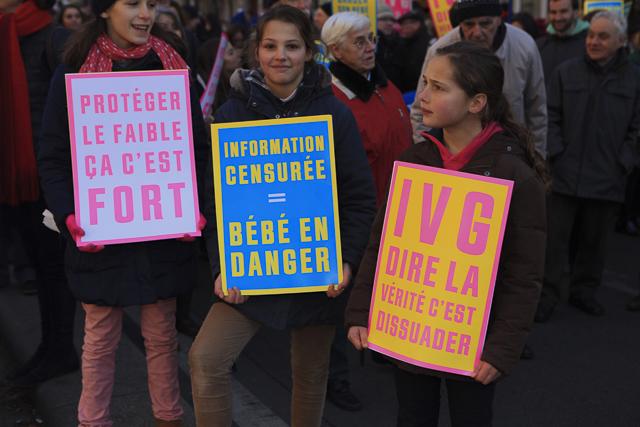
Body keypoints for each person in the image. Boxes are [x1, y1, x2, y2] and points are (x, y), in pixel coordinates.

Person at [188, 5, 377, 427]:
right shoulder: (232, 113)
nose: (281, 55)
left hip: (316, 269)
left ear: (310, 52)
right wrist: (224, 266)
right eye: (270, 45)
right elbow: (216, 200)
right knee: (206, 359)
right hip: (253, 267)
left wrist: (344, 260)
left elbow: (360, 198)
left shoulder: (336, 114)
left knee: (311, 375)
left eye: (292, 46)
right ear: (256, 51)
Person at [346, 40, 548, 427]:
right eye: (425, 83)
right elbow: (382, 245)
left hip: (473, 344)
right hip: (411, 330)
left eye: (439, 87)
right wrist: (361, 310)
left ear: (476, 102)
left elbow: (524, 277)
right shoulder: (412, 160)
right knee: (412, 416)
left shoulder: (514, 176)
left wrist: (501, 351)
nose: (422, 95)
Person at [36, 0, 209, 424]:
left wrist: (196, 208)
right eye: (133, 3)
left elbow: (198, 152)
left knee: (163, 339)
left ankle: (169, 419)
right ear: (103, 11)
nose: (145, 13)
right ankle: (92, 421)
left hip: (164, 236)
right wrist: (69, 214)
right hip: (99, 237)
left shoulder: (174, 71)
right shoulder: (71, 76)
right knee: (99, 342)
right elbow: (55, 158)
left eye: (151, 3)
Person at [320, 10, 413, 411]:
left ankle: (383, 346)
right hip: (353, 219)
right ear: (334, 50)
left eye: (370, 38)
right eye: (359, 41)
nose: (370, 46)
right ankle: (334, 377)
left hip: (397, 212)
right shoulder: (330, 98)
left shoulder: (385, 87)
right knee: (341, 299)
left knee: (387, 289)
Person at [534, 11, 640, 322]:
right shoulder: (566, 72)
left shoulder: (635, 80)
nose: (593, 41)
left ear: (621, 42)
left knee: (594, 243)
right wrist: (558, 154)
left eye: (603, 36)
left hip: (608, 176)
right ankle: (547, 296)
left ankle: (584, 293)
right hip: (564, 173)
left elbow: (636, 129)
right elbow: (549, 116)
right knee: (554, 243)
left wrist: (623, 162)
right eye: (591, 34)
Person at [1, 0, 79, 387]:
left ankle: (61, 350)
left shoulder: (55, 37)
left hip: (47, 178)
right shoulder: (5, 35)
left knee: (53, 269)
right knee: (38, 263)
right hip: (15, 179)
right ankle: (50, 348)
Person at [410, 0, 547, 158]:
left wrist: (536, 160)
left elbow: (536, 111)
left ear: (498, 18)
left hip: (512, 156)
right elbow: (420, 111)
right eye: (468, 24)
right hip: (452, 160)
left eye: (486, 23)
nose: (477, 32)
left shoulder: (525, 46)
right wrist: (426, 159)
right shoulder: (438, 51)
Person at [536, 0, 590, 85]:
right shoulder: (540, 45)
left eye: (563, 11)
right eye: (553, 12)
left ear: (576, 12)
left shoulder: (589, 45)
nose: (558, 18)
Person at [386, 9, 432, 93]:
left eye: (404, 24)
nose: (401, 28)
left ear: (416, 24)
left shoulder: (429, 44)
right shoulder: (402, 44)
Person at [376, 0, 401, 83]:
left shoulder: (400, 41)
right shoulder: (370, 44)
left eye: (392, 20)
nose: (389, 23)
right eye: (384, 19)